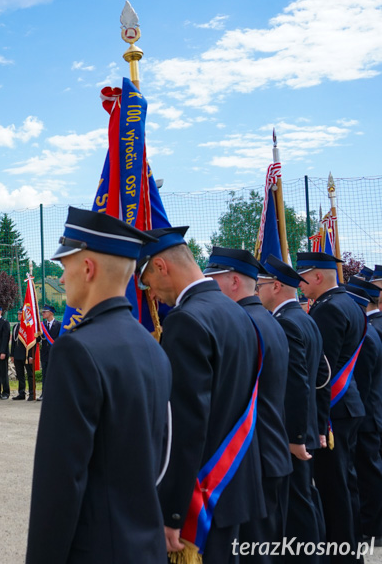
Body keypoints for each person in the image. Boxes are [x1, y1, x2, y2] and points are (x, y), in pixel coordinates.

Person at [26, 207, 170, 563]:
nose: (62, 276)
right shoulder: (153, 348)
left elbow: (59, 484)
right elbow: (160, 461)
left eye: (65, 264)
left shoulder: (76, 350)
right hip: (143, 549)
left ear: (87, 269)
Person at [136, 226, 265, 563]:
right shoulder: (240, 313)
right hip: (236, 484)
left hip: (202, 498)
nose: (151, 294)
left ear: (162, 266)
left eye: (147, 281)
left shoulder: (186, 321)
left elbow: (186, 426)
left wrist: (173, 513)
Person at [203, 248, 292, 560]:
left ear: (234, 282)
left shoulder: (243, 324)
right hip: (272, 450)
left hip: (251, 454)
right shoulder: (268, 321)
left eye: (213, 280)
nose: (209, 288)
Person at [257, 255, 327, 561]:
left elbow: (297, 384)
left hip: (292, 432)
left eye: (259, 286)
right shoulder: (305, 319)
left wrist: (296, 437)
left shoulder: (286, 323)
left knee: (299, 506)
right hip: (305, 426)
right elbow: (320, 378)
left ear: (275, 286)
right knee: (306, 499)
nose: (256, 291)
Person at [298, 252, 367, 562]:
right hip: (348, 406)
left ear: (317, 276)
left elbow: (321, 374)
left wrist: (320, 422)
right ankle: (351, 551)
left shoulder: (328, 310)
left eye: (303, 277)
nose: (299, 284)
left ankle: (342, 554)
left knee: (333, 489)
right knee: (345, 485)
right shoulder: (349, 304)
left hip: (333, 411)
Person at [344, 278, 382, 541]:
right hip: (371, 415)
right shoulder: (368, 331)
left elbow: (364, 384)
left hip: (368, 417)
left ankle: (373, 528)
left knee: (369, 474)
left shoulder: (367, 336)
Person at [10, 309, 35, 401]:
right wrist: (12, 354)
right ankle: (21, 393)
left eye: (20, 314)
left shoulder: (28, 326)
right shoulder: (16, 326)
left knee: (30, 374)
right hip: (17, 354)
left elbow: (32, 342)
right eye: (18, 314)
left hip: (26, 354)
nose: (19, 315)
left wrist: (31, 356)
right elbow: (13, 341)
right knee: (20, 375)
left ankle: (32, 393)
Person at [39, 305, 59, 397]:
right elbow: (38, 339)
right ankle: (44, 393)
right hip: (45, 354)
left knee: (55, 374)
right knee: (45, 375)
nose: (43, 313)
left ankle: (54, 394)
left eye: (45, 312)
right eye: (43, 312)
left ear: (51, 313)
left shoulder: (59, 325)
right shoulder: (41, 325)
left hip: (55, 354)